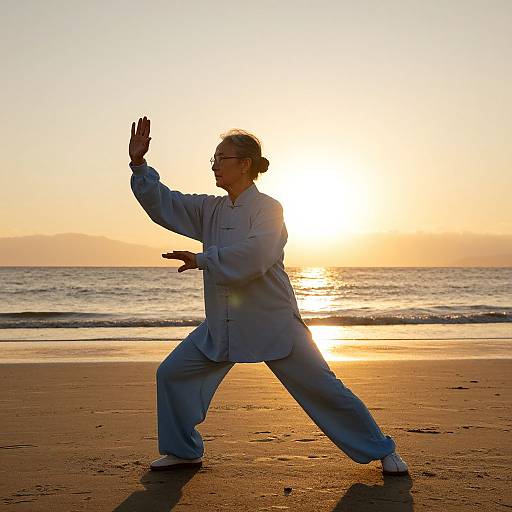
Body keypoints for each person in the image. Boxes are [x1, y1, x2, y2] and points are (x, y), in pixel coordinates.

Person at [128, 116, 409, 476]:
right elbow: (164, 203)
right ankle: (183, 452)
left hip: (274, 322)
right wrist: (139, 165)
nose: (214, 165)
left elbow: (255, 256)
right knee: (172, 374)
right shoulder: (209, 209)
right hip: (223, 325)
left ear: (244, 164)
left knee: (324, 388)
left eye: (220, 158)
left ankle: (382, 449)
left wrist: (203, 259)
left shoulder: (269, 209)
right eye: (212, 159)